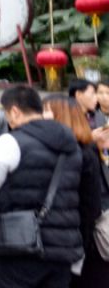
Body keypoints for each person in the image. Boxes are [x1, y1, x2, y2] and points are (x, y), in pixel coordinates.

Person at [0, 85, 83, 288]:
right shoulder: (71, 144)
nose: (7, 120)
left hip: (20, 247)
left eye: (7, 114)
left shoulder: (11, 142)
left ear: (15, 111)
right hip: (63, 248)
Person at [42, 95, 102, 285]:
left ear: (62, 115)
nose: (41, 115)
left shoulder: (84, 153)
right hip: (52, 240)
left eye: (46, 110)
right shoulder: (46, 149)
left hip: (73, 242)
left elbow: (91, 205)